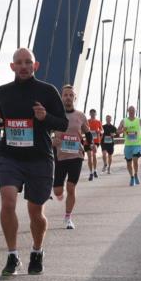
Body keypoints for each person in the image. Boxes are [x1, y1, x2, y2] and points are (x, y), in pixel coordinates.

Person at [0, 48, 68, 277]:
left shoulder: (47, 91)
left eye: (28, 62)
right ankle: (12, 255)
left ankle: (37, 251)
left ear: (36, 66)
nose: (23, 66)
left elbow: (63, 124)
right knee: (7, 202)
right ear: (12, 66)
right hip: (9, 156)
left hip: (39, 158)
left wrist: (45, 118)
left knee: (36, 211)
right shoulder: (3, 91)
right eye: (19, 62)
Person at [52, 85, 90, 230]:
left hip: (76, 156)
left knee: (71, 187)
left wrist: (88, 146)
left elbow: (88, 134)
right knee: (58, 191)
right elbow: (44, 132)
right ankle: (59, 193)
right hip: (60, 156)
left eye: (70, 95)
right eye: (65, 95)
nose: (68, 97)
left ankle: (68, 217)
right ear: (61, 97)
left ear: (74, 98)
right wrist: (51, 140)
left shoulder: (80, 116)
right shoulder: (55, 115)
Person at [121, 106, 141, 186]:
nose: (131, 112)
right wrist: (123, 130)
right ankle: (132, 177)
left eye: (133, 111)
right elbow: (118, 131)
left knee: (135, 160)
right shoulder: (124, 121)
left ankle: (136, 174)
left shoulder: (139, 120)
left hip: (137, 144)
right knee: (129, 163)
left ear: (135, 111)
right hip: (128, 145)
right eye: (130, 110)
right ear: (128, 111)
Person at [86, 108, 103, 181]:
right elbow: (82, 129)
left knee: (93, 154)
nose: (92, 114)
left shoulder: (98, 122)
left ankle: (95, 170)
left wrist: (99, 131)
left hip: (96, 141)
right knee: (89, 156)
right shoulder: (87, 121)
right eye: (91, 113)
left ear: (95, 114)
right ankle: (91, 173)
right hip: (88, 141)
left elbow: (102, 130)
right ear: (90, 114)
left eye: (94, 113)